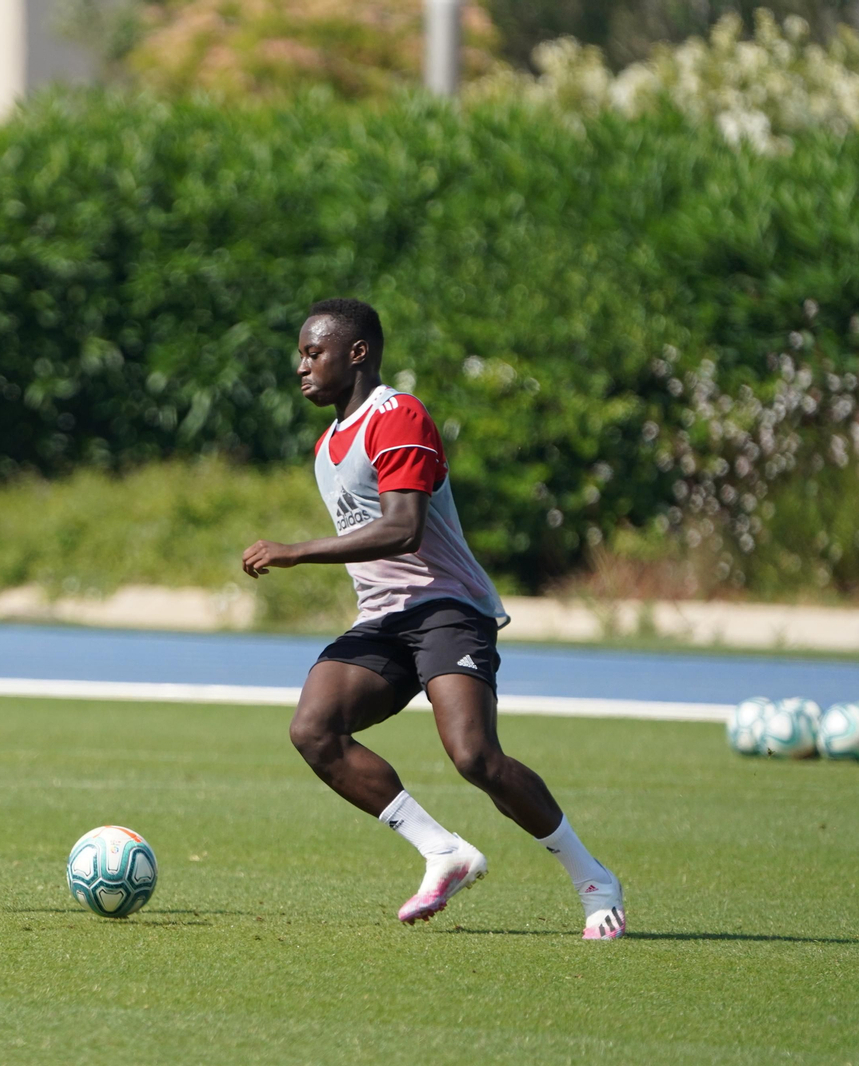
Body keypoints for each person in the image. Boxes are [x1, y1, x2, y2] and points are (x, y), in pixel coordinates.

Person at [241, 298, 625, 940]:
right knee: (313, 729)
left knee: (475, 757)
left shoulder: (397, 415)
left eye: (313, 353)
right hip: (384, 621)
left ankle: (594, 881)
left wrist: (295, 551)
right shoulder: (326, 444)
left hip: (446, 609)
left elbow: (402, 529)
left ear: (357, 353)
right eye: (301, 354)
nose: (300, 367)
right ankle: (443, 851)